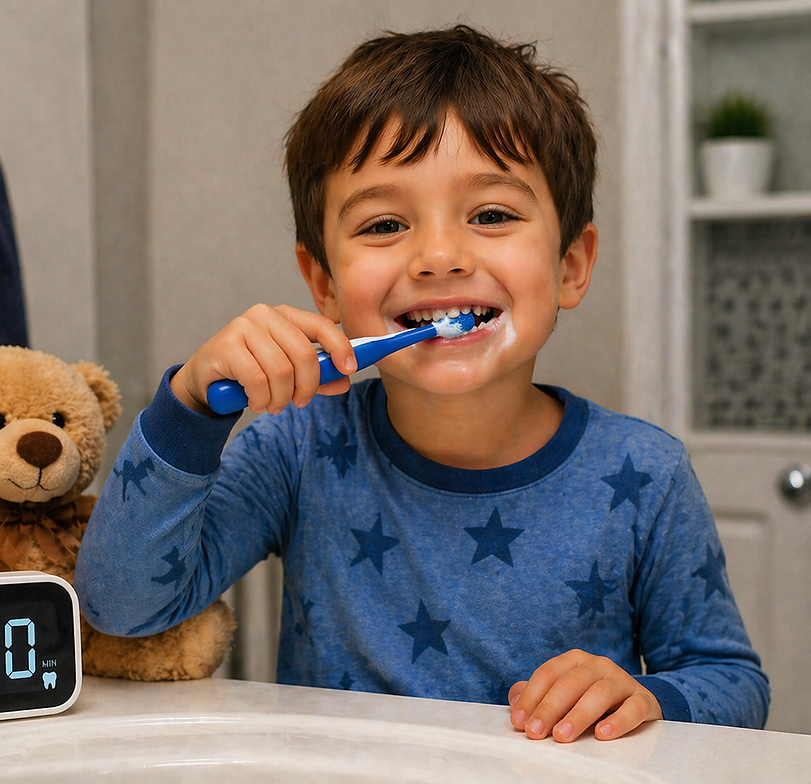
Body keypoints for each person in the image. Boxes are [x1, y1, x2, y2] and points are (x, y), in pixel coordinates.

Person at [75, 25, 769, 742]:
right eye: (383, 224)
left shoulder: (645, 476)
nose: (438, 256)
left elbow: (732, 682)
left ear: (570, 265)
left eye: (492, 214)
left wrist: (650, 699)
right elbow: (119, 606)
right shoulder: (298, 451)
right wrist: (190, 406)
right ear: (326, 284)